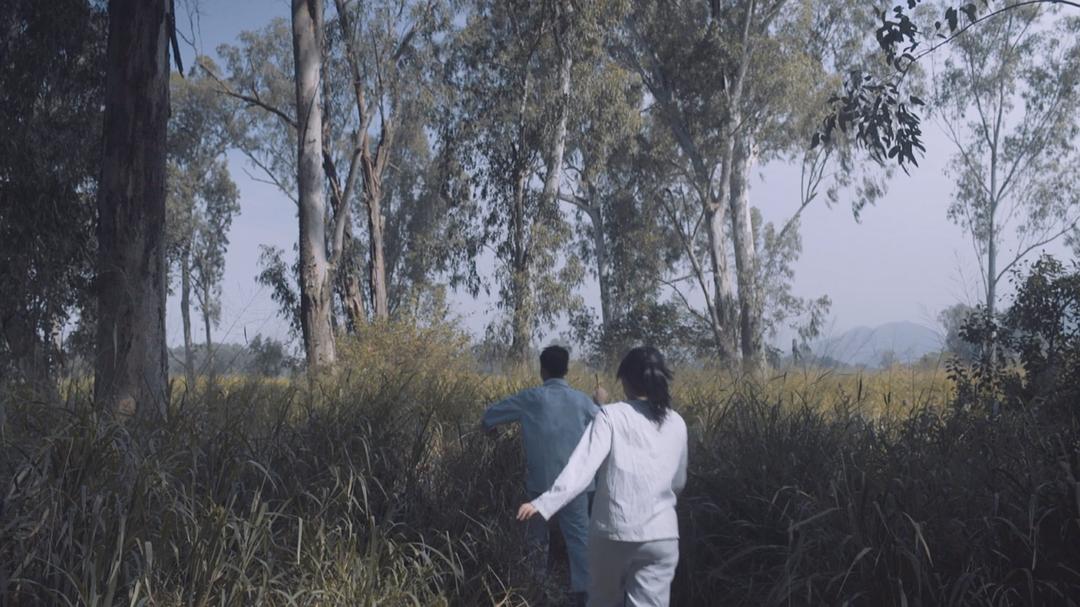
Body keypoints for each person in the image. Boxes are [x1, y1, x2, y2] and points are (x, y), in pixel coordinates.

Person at [516, 346, 688, 607]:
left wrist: (544, 502)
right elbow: (677, 483)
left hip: (614, 532)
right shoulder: (676, 422)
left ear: (625, 380)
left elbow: (582, 469)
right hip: (662, 535)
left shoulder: (610, 416)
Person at [482, 345, 600, 605]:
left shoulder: (531, 398)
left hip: (541, 485)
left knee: (536, 542)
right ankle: (585, 597)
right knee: (579, 541)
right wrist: (600, 402)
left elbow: (489, 416)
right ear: (566, 370)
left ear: (542, 370)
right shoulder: (582, 401)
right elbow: (606, 425)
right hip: (576, 486)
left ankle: (535, 594)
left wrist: (492, 433)